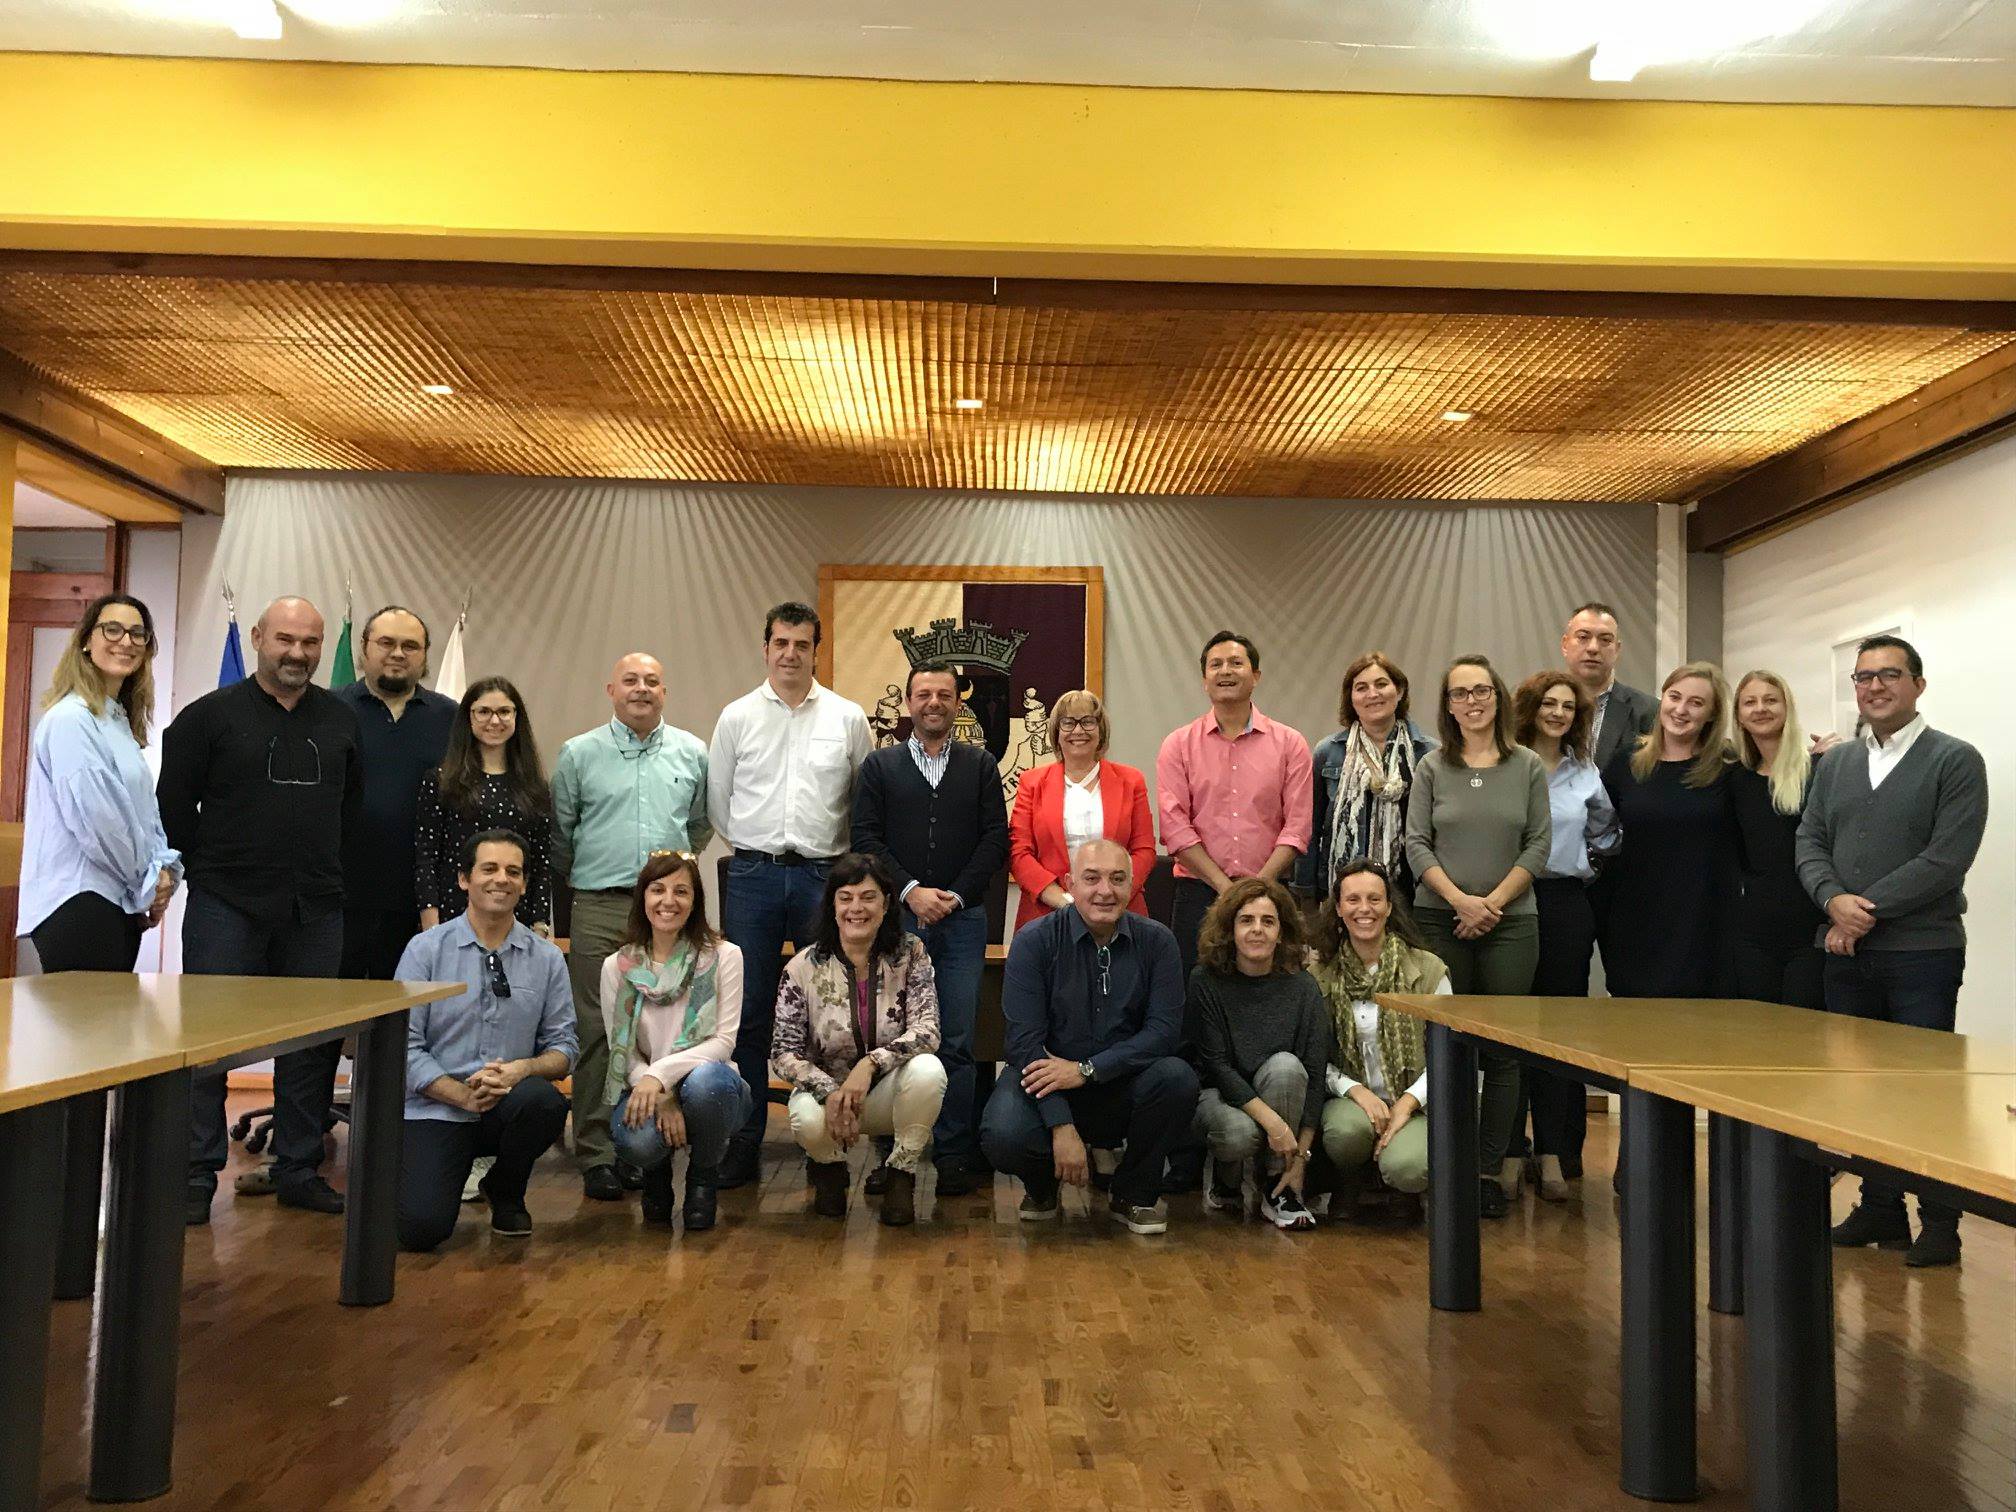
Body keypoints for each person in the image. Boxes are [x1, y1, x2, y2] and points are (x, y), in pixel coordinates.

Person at [159, 596, 362, 1226]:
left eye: (310, 642)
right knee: (207, 1042)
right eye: (285, 640)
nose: (298, 653)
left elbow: (351, 809)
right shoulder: (207, 717)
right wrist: (209, 870)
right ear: (256, 638)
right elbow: (172, 807)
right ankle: (196, 1174)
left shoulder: (341, 719)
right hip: (228, 905)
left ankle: (297, 1168)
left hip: (315, 908)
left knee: (309, 1045)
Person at [1797, 635, 1988, 1269]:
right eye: (1863, 677)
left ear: (1918, 685)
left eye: (1889, 675)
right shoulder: (1837, 764)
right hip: (1845, 952)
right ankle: (1881, 1207)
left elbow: (1946, 858)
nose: (1875, 687)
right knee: (1860, 1089)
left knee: (1926, 1093)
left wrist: (1860, 913)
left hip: (1922, 953)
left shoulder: (1955, 760)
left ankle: (1941, 1223)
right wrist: (1832, 900)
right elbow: (1810, 840)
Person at [18, 593, 181, 1283]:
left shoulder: (117, 720)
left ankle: (78, 1248)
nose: (124, 641)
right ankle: (58, 1259)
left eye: (137, 633)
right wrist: (148, 881)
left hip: (112, 905)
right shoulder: (70, 720)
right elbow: (96, 821)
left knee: (96, 1077)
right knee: (75, 1084)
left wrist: (165, 870)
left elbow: (143, 817)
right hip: (79, 908)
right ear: (86, 639)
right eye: (111, 629)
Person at [707, 601, 872, 1188]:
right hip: (753, 874)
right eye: (781, 642)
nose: (790, 654)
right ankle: (744, 1140)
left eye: (802, 644)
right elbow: (719, 801)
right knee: (748, 1010)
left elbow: (861, 801)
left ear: (816, 650)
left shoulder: (847, 718)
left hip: (822, 879)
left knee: (825, 1012)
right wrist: (754, 848)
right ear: (766, 647)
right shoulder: (736, 717)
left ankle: (821, 1144)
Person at [551, 651, 711, 1202]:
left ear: (665, 692)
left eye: (652, 681)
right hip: (600, 905)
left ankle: (644, 1144)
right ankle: (597, 1151)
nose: (641, 689)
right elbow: (562, 833)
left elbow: (698, 826)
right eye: (630, 680)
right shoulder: (579, 753)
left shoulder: (692, 752)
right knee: (598, 1029)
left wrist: (666, 886)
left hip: (665, 908)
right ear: (611, 690)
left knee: (664, 1026)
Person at [980, 839, 1199, 1235]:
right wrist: (1060, 1125)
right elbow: (1024, 1043)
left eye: (1117, 879)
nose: (1105, 891)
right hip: (1045, 1080)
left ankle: (1133, 1193)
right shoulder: (1034, 941)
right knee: (1003, 1132)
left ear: (1132, 885)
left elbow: (1163, 1034)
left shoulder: (1158, 942)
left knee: (1177, 1078)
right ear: (1070, 883)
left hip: (1120, 1082)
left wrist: (1087, 1069)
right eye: (1092, 878)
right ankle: (1041, 1186)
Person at [849, 661, 1007, 1195]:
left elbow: (995, 839)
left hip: (963, 922)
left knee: (957, 1040)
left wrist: (955, 895)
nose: (933, 702)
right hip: (895, 921)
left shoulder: (980, 765)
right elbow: (866, 837)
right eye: (923, 694)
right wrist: (911, 890)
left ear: (958, 702)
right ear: (908, 703)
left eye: (944, 694)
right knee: (890, 1039)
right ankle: (894, 1156)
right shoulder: (880, 766)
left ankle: (954, 1154)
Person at [1404, 654, 1549, 1219]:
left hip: (1511, 923)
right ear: (1447, 705)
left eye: (1482, 690)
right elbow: (1417, 844)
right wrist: (1461, 902)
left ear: (1498, 697)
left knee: (1504, 1051)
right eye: (1460, 693)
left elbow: (1538, 844)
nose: (1472, 701)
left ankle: (1488, 1170)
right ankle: (1448, 1164)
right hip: (1440, 919)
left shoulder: (1527, 765)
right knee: (1448, 1048)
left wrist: (1491, 904)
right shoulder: (1432, 767)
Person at [395, 830, 576, 1251]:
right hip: (437, 1106)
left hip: (507, 1103)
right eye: (489, 869)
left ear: (524, 884)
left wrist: (522, 1069)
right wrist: (460, 1095)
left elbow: (565, 1047)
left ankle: (506, 1189)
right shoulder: (425, 951)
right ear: (464, 879)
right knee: (420, 1230)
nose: (502, 880)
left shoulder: (547, 959)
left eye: (513, 872)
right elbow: (403, 1046)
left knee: (544, 1102)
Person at [771, 854, 946, 1226]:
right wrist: (829, 1091)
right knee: (805, 1118)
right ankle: (830, 1169)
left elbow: (927, 1030)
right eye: (845, 897)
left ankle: (900, 1173)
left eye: (868, 897)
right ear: (832, 905)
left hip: (888, 1092)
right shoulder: (802, 966)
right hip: (828, 1097)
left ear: (886, 903)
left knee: (929, 1071)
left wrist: (870, 1065)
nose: (856, 908)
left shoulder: (910, 953)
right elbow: (783, 1052)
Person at [1512, 671, 1619, 1201]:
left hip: (1563, 903)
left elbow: (1608, 833)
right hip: (1508, 903)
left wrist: (1584, 866)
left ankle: (1556, 1149)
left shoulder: (1585, 771)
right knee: (1508, 1028)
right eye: (1548, 704)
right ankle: (1508, 1150)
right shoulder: (1506, 764)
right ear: (1529, 709)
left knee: (1559, 1032)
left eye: (1568, 707)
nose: (1557, 713)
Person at [601, 851, 749, 1233]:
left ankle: (703, 1176)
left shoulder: (724, 956)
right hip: (646, 1088)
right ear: (642, 898)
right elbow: (623, 1053)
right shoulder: (617, 966)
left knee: (708, 1084)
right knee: (638, 1143)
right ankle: (656, 1174)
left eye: (681, 891)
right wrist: (661, 1093)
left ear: (695, 901)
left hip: (711, 1085)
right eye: (658, 890)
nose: (669, 901)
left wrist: (660, 1076)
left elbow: (723, 1042)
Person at [1156, 630, 1313, 980]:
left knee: (1273, 992)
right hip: (1199, 893)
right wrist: (1227, 890)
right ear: (1204, 680)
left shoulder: (1291, 744)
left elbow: (1297, 828)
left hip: (1271, 893)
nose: (1225, 671)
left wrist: (1255, 890)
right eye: (1216, 665)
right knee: (1196, 990)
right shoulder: (1178, 745)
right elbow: (1175, 829)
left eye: (1236, 663)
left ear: (1255, 676)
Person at [1187, 878, 1330, 1231]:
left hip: (1280, 1094)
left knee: (1287, 1067)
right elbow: (1216, 1066)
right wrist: (1275, 1125)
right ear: (1230, 929)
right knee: (1239, 1133)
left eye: (1268, 921)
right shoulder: (1205, 980)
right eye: (1246, 920)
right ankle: (1226, 1178)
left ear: (1281, 933)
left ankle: (1279, 1187)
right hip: (1218, 1096)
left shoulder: (1304, 987)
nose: (1257, 930)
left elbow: (1315, 1074)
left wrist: (1301, 1157)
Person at [1308, 860, 1450, 1205]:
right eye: (1353, 900)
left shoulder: (1428, 969)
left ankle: (1400, 1188)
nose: (1364, 909)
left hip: (1417, 1102)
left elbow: (1448, 1054)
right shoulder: (1319, 975)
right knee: (1345, 1135)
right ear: (1338, 909)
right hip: (1350, 1102)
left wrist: (1407, 1103)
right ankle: (1353, 1180)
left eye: (1374, 899)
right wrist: (1353, 1089)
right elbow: (1310, 1056)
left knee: (1407, 1168)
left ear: (1388, 907)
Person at [1600, 662, 1741, 1005]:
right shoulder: (1627, 761)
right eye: (1674, 697)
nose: (1681, 709)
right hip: (1637, 917)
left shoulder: (1730, 765)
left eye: (1696, 703)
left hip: (1706, 918)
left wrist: (1816, 759)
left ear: (1712, 714)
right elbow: (1597, 828)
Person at [336, 605, 456, 983]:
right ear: (364, 648)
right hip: (339, 896)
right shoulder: (329, 710)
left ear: (425, 655)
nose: (398, 653)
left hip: (418, 901)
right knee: (329, 1007)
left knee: (406, 1010)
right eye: (386, 643)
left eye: (410, 646)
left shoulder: (451, 719)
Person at [1008, 688, 1156, 931]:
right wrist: (1062, 900)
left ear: (1101, 731)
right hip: (1048, 914)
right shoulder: (1031, 783)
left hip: (1119, 911)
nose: (1078, 730)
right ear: (1056, 733)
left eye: (1088, 721)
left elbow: (1144, 850)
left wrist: (1112, 895)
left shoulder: (1131, 781)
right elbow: (1019, 852)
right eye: (1068, 723)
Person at [415, 676, 555, 934]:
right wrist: (431, 926)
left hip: (517, 919)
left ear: (517, 717)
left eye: (504, 712)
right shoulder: (441, 780)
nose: (495, 721)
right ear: (468, 717)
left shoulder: (534, 786)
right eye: (484, 712)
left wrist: (540, 925)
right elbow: (426, 858)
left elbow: (541, 862)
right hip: (453, 917)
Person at [1727, 670, 1827, 1011]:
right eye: (1750, 702)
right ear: (1739, 715)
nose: (1760, 708)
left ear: (1787, 707)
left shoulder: (1817, 770)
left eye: (1770, 700)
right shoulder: (1735, 779)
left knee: (1803, 1031)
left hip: (1811, 930)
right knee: (1756, 1031)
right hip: (1753, 932)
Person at [1299, 652, 1434, 902]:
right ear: (1350, 698)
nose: (1373, 694)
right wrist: (1306, 891)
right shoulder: (1328, 752)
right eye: (1361, 688)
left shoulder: (1428, 753)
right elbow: (1311, 828)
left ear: (1399, 691)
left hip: (1413, 891)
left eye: (1381, 684)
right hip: (1345, 892)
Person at [1562, 602, 1657, 772]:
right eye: (1583, 637)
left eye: (1605, 640)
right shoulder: (1535, 706)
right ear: (1565, 644)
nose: (1593, 648)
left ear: (1617, 649)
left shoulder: (1649, 711)